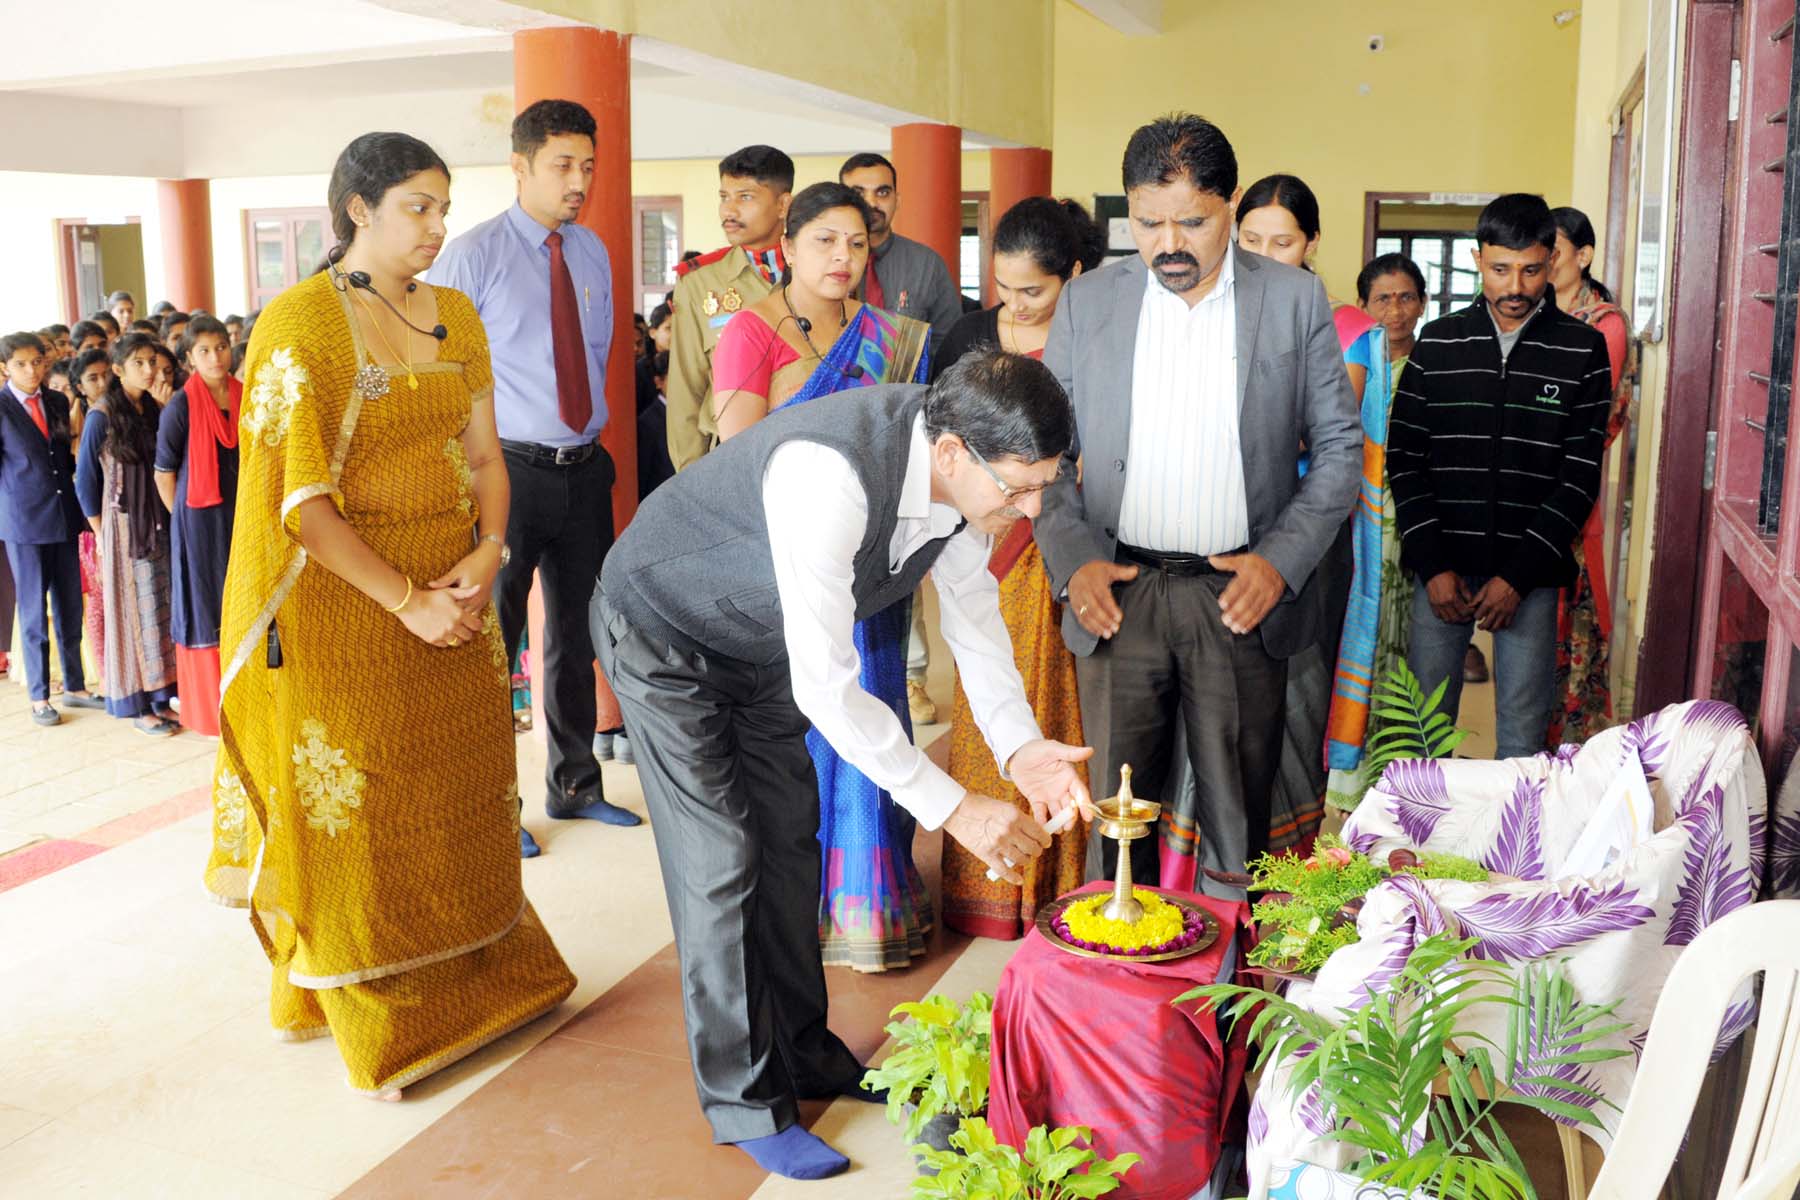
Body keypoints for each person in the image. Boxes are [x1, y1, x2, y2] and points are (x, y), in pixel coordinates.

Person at [597, 350, 1093, 1180]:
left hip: (756, 647)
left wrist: (1021, 749)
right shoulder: (826, 475)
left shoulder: (967, 488)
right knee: (723, 859)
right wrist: (952, 806)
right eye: (1019, 487)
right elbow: (830, 687)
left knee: (793, 839)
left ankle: (807, 1051)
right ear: (951, 455)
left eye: (1045, 484)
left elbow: (976, 626)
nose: (1031, 506)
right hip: (664, 631)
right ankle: (744, 1102)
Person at [204, 130, 576, 1097]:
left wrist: (489, 555)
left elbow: (488, 457)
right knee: (366, 809)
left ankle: (488, 970)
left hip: (459, 587)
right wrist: (407, 602)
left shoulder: (456, 313)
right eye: (417, 206)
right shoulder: (301, 324)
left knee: (460, 795)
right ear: (357, 210)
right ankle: (375, 1000)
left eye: (444, 207)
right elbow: (301, 503)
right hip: (351, 610)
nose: (437, 227)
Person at [1034, 114, 1361, 892]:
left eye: (1194, 221)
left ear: (1232, 205)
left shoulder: (1292, 300)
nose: (1169, 244)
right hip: (1120, 595)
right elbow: (1044, 453)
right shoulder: (1089, 304)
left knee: (1238, 823)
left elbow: (1341, 452)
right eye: (1148, 222)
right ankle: (1124, 988)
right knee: (1119, 820)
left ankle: (1228, 1000)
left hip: (1239, 599)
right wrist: (1073, 559)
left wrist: (1279, 565)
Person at [711, 181, 933, 972]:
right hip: (800, 560)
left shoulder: (895, 337)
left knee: (877, 707)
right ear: (788, 247)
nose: (842, 258)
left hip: (876, 565)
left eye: (856, 244)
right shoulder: (752, 330)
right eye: (823, 242)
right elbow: (738, 462)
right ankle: (806, 903)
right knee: (809, 727)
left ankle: (874, 900)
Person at [429, 99, 638, 855]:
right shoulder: (472, 257)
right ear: (519, 167)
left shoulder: (590, 252)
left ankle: (576, 785)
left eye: (588, 165)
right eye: (562, 165)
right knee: (496, 644)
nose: (579, 180)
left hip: (582, 470)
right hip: (507, 473)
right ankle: (491, 806)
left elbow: (595, 352)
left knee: (578, 636)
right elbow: (447, 378)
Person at [1388, 193, 1614, 760]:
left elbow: (1579, 476)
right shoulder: (1438, 345)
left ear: (1553, 260)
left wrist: (1517, 577)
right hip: (1440, 576)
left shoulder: (1581, 350)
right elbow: (1406, 459)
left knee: (1521, 738)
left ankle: (1514, 848)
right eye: (1500, 269)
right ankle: (1422, 847)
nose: (1516, 286)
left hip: (1528, 579)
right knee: (1422, 735)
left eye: (1532, 269)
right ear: (1477, 258)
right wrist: (1433, 565)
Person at [935, 196, 1105, 939]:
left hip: (1061, 536)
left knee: (1056, 700)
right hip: (981, 536)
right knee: (985, 691)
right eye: (1004, 288)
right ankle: (985, 880)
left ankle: (1060, 876)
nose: (1014, 304)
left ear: (1072, 275)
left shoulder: (1095, 334)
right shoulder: (967, 335)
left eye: (1034, 290)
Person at [1220, 173, 1375, 854]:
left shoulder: (1344, 328)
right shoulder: (1211, 314)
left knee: (1298, 694)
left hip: (1310, 539)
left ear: (1311, 244)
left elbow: (1320, 431)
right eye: (1249, 239)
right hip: (1227, 531)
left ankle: (1291, 849)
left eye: (1281, 242)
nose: (1263, 253)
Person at [838, 150, 966, 730]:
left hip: (910, 438)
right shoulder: (831, 263)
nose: (872, 202)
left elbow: (951, 351)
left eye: (883, 191)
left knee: (902, 555)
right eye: (859, 191)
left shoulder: (924, 265)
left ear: (897, 196)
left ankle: (910, 676)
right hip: (839, 439)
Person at [1319, 253, 1426, 809]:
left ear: (1423, 304)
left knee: (1404, 645)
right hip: (1363, 520)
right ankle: (1348, 778)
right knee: (1360, 633)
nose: (1394, 309)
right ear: (1364, 307)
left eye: (1406, 297)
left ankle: (1396, 776)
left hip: (1414, 526)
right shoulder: (1349, 358)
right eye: (1382, 298)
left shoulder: (1431, 366)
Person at [1546, 205, 1633, 748]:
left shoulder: (1604, 324)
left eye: (1554, 250)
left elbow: (1585, 419)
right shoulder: (1527, 313)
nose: (1544, 261)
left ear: (1584, 255)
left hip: (1571, 494)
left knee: (1571, 626)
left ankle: (1569, 759)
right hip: (1519, 496)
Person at [665, 144, 794, 470]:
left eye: (745, 197)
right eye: (724, 197)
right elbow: (685, 392)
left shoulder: (814, 272)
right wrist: (690, 481)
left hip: (801, 457)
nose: (729, 210)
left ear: (783, 204)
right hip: (728, 459)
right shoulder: (699, 283)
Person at [75, 332, 179, 735]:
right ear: (118, 370)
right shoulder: (102, 415)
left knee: (159, 610)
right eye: (139, 363)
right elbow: (85, 481)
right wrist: (101, 535)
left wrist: (170, 410)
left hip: (157, 520)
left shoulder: (154, 408)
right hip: (122, 529)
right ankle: (138, 706)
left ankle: (160, 696)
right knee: (132, 616)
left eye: (153, 361)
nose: (150, 369)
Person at [0, 332, 103, 724]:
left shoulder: (58, 401)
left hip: (63, 513)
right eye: (23, 364)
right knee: (32, 611)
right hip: (24, 522)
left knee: (70, 603)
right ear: (5, 367)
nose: (32, 371)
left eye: (38, 362)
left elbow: (65, 457)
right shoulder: (2, 406)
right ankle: (40, 696)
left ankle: (75, 686)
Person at [153, 315, 239, 737]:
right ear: (189, 358)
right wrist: (185, 526)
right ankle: (211, 709)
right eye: (203, 350)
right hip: (199, 522)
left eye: (220, 346)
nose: (215, 356)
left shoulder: (248, 395)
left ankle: (250, 697)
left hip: (243, 514)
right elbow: (164, 473)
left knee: (245, 598)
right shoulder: (180, 406)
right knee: (207, 606)